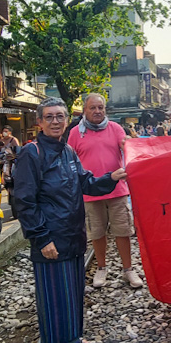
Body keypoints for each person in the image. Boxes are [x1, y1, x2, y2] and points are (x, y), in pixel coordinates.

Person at [13, 97, 126, 343]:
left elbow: (86, 182)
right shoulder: (31, 153)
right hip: (51, 238)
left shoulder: (68, 151)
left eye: (60, 116)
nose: (56, 121)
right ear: (39, 122)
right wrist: (41, 238)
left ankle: (71, 338)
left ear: (67, 120)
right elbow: (24, 201)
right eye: (49, 117)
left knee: (72, 292)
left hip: (73, 235)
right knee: (54, 297)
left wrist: (112, 177)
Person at [67, 93, 143, 289]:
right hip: (90, 192)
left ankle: (128, 269)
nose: (97, 111)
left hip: (117, 189)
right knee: (96, 232)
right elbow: (69, 160)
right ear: (85, 110)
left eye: (100, 107)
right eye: (92, 108)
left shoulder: (115, 128)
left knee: (123, 230)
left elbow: (127, 148)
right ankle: (101, 267)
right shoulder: (75, 133)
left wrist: (130, 144)